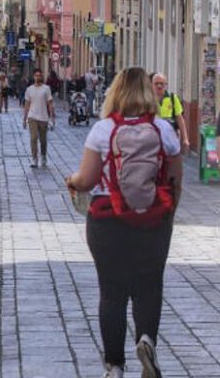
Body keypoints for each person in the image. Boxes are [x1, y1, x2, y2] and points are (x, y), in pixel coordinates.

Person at [65, 67, 182, 378]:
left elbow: (87, 180)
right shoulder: (164, 130)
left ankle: (115, 366)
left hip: (107, 220)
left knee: (112, 292)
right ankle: (146, 340)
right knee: (149, 286)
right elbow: (175, 182)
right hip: (153, 219)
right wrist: (167, 217)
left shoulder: (102, 130)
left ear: (115, 91)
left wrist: (72, 180)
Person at [23, 69, 55, 168]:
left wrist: (52, 117)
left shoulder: (46, 89)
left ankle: (43, 156)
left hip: (43, 117)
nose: (38, 77)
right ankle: (34, 159)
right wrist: (24, 118)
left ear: (42, 76)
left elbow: (50, 103)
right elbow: (27, 104)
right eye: (36, 75)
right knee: (33, 138)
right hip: (32, 117)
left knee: (43, 140)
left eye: (39, 75)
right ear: (33, 77)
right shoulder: (29, 89)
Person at [151, 73, 190, 153]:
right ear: (151, 85)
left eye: (161, 83)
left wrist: (185, 138)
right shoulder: (148, 99)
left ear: (166, 85)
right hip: (153, 137)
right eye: (156, 84)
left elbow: (179, 118)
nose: (159, 86)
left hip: (170, 136)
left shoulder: (172, 97)